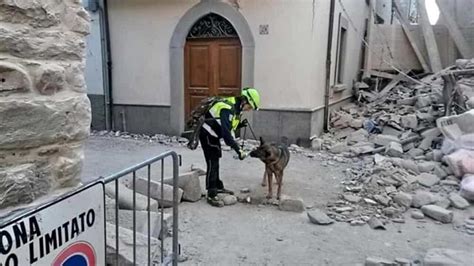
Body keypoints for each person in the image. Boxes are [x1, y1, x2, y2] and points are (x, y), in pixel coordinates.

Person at [199, 87, 260, 207]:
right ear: (245, 101)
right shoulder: (227, 108)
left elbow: (228, 125)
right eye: (250, 107)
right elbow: (227, 135)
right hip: (207, 134)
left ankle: (218, 186)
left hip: (214, 134)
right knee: (212, 162)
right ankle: (211, 194)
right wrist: (239, 150)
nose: (249, 110)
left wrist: (241, 125)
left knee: (216, 159)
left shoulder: (236, 108)